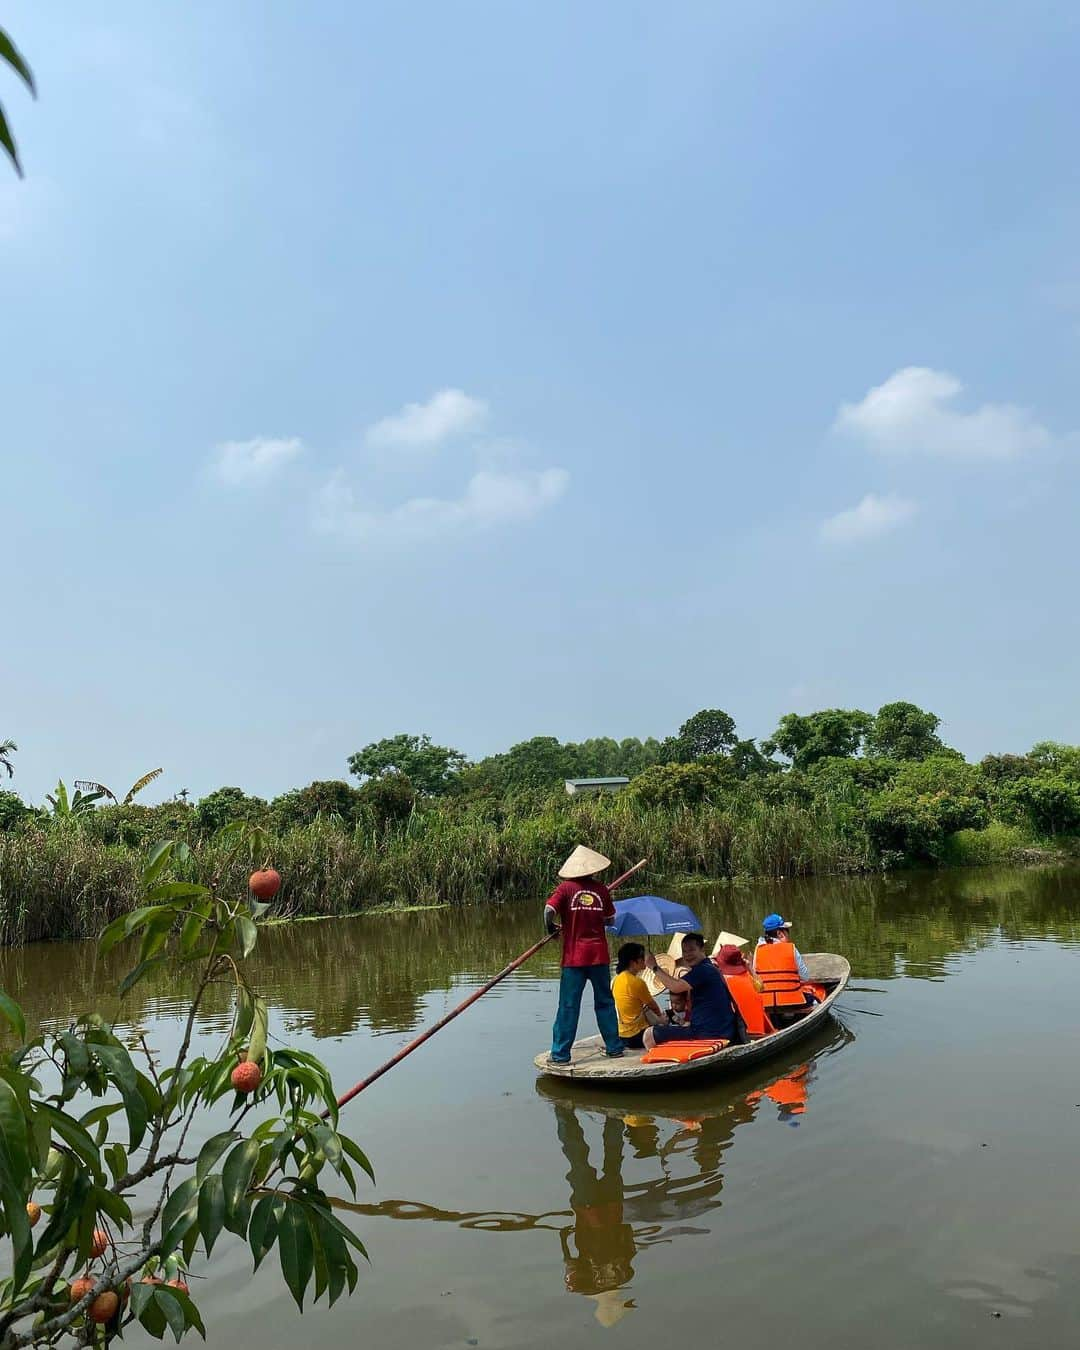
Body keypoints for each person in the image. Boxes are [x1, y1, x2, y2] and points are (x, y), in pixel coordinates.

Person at [545, 845, 624, 1063]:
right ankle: (614, 1047)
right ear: (592, 869)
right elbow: (610, 919)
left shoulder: (565, 889)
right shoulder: (601, 890)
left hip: (574, 958)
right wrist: (596, 916)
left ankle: (560, 1054)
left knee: (568, 1006)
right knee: (605, 1003)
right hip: (598, 955)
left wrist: (551, 927)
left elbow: (548, 911)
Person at [642, 933, 741, 1048]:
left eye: (691, 950)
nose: (687, 955)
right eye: (684, 951)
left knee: (649, 1034)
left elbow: (675, 987)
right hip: (720, 1029)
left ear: (702, 949)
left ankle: (660, 1062)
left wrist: (654, 967)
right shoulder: (709, 967)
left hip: (708, 1033)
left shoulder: (703, 970)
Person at [752, 913, 816, 1012]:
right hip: (793, 1001)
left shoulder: (758, 949)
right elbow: (805, 977)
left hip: (766, 1003)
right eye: (786, 930)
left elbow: (755, 975)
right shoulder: (791, 948)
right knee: (814, 999)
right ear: (779, 933)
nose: (788, 933)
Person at [611, 944, 665, 1049]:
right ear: (633, 962)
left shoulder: (616, 980)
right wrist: (662, 1020)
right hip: (638, 1035)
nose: (644, 959)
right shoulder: (636, 982)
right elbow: (653, 1006)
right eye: (642, 957)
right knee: (672, 1030)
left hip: (622, 1035)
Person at [714, 944, 774, 1037]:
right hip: (758, 1029)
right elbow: (761, 988)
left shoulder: (722, 979)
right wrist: (750, 969)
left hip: (737, 1032)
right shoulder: (746, 976)